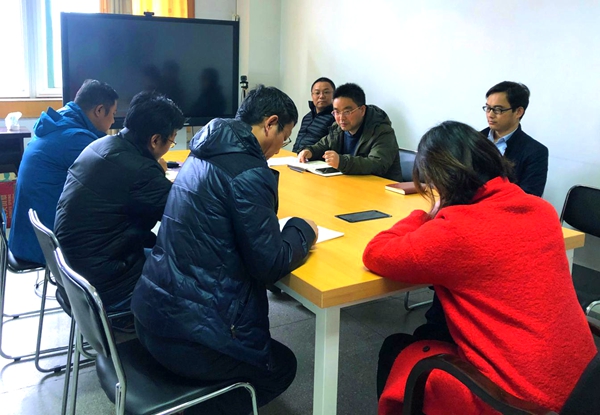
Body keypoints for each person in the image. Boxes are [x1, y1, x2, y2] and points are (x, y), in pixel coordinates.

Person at [363, 121, 596, 415]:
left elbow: (376, 253)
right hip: (584, 387)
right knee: (433, 328)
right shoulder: (541, 211)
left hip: (520, 402)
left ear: (439, 181)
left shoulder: (455, 230)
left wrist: (423, 215)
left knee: (396, 348)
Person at [131, 85, 318, 415]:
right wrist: (302, 229)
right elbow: (270, 265)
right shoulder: (249, 171)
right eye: (284, 137)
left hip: (151, 315)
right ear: (270, 124)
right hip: (188, 340)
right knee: (281, 368)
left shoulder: (202, 150)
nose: (280, 148)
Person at [54, 91, 184, 312]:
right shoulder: (140, 170)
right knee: (191, 276)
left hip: (74, 275)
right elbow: (182, 215)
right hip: (105, 285)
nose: (169, 146)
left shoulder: (101, 144)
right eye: (171, 141)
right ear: (155, 140)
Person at [8, 79, 118, 265]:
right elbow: (115, 178)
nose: (114, 121)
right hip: (45, 247)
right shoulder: (76, 139)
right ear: (99, 110)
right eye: (113, 114)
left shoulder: (58, 122)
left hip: (26, 238)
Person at [297, 83, 402, 181]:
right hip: (350, 184)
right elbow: (322, 146)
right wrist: (309, 151)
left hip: (380, 188)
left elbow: (377, 165)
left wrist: (342, 162)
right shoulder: (338, 128)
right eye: (336, 112)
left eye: (347, 112)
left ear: (362, 110)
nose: (341, 118)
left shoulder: (382, 131)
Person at [482, 81, 548, 197]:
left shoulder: (535, 152)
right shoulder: (472, 140)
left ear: (518, 112)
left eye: (498, 109)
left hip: (503, 207)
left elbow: (529, 196)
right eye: (488, 108)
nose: (490, 115)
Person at [291, 77, 336, 153]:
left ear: (334, 95)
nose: (321, 96)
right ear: (312, 95)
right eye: (317, 93)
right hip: (296, 156)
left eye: (326, 92)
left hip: (314, 158)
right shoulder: (307, 117)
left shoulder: (335, 118)